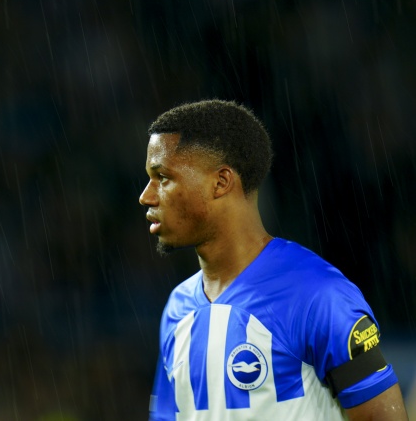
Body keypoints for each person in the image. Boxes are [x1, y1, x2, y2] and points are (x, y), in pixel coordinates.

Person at [139, 100, 408, 420]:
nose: (146, 196)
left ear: (221, 182)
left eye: (162, 177)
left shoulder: (318, 295)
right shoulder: (178, 308)